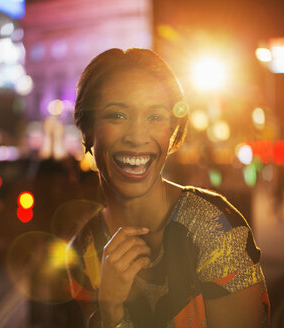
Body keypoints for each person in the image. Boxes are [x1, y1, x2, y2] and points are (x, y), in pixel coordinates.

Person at [67, 48, 270, 327]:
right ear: (88, 130)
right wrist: (109, 306)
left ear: (172, 132)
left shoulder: (216, 230)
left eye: (155, 117)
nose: (138, 137)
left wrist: (112, 314)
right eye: (117, 115)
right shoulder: (82, 249)